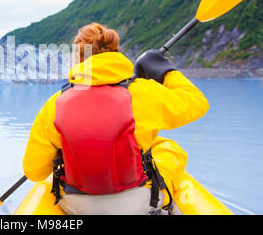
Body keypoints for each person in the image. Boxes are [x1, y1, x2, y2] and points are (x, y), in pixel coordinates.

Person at [22, 22, 209, 215]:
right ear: (115, 52)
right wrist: (165, 70)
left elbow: (34, 171)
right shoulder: (144, 91)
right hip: (139, 203)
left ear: (78, 59)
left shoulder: (55, 103)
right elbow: (197, 102)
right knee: (166, 147)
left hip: (77, 206)